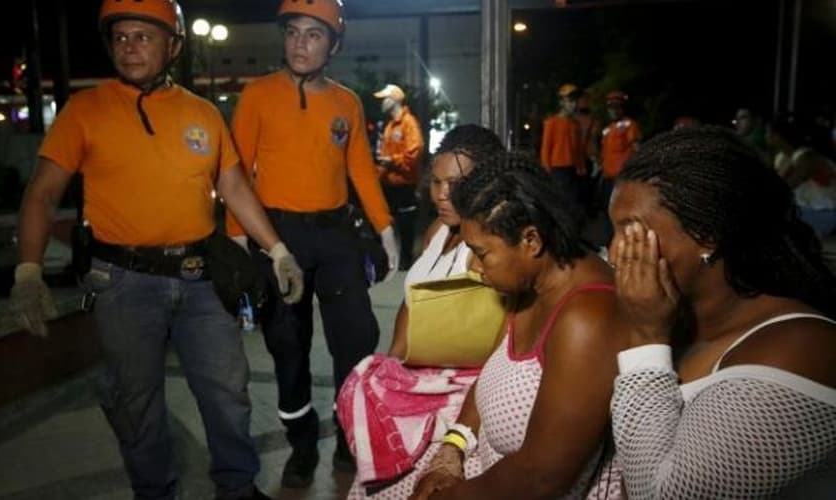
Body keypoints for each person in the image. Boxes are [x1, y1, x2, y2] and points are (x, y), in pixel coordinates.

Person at [8, 1, 295, 499]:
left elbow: (234, 186)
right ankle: (154, 492)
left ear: (173, 46)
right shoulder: (85, 111)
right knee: (135, 403)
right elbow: (41, 192)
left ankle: (238, 488)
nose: (129, 45)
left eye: (143, 36)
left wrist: (278, 249)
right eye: (121, 37)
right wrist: (28, 271)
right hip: (123, 283)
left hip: (203, 278)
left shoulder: (202, 112)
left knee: (228, 392)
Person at [364, 152, 626, 499]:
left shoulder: (588, 319)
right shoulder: (531, 282)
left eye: (482, 253)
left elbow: (540, 478)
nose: (474, 267)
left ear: (531, 240)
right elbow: (491, 372)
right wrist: (451, 450)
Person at [224, 0, 399, 488]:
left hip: (337, 235)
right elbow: (233, 171)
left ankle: (347, 435)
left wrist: (384, 226)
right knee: (286, 345)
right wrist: (237, 239)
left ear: (334, 44)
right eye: (294, 33)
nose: (301, 43)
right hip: (278, 236)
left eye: (314, 35)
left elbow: (360, 167)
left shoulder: (347, 102)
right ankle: (301, 445)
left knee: (357, 336)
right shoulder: (257, 95)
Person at [608, 125, 836, 498]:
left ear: (707, 233)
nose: (615, 254)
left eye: (631, 233)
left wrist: (646, 340)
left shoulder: (798, 349)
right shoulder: (681, 323)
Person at [337, 124, 505, 497]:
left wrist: (456, 440)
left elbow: (502, 345)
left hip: (466, 401)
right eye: (436, 183)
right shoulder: (436, 232)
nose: (444, 195)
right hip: (420, 381)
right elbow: (413, 303)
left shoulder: (493, 247)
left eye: (457, 184)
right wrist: (393, 374)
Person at [374, 83, 425, 270]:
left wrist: (392, 161)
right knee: (385, 224)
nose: (382, 102)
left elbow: (415, 151)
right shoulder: (389, 126)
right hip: (389, 184)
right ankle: (389, 260)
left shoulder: (408, 123)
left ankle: (405, 262)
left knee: (405, 226)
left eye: (384, 98)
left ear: (394, 99)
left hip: (405, 185)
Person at [767, 115, 836, 238]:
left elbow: (785, 186)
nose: (766, 136)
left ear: (778, 135)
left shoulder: (807, 156)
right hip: (808, 209)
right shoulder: (783, 156)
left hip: (825, 211)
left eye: (769, 132)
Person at [600, 90, 640, 242]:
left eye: (616, 107)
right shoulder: (607, 129)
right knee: (607, 211)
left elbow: (635, 148)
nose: (613, 111)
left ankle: (623, 242)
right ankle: (609, 242)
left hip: (622, 178)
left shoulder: (630, 125)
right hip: (608, 177)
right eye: (610, 107)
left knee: (621, 212)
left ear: (622, 108)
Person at [540, 83, 585, 202]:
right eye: (570, 101)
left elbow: (579, 149)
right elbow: (545, 149)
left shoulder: (575, 124)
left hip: (573, 171)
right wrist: (547, 172)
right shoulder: (551, 123)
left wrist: (581, 168)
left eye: (575, 101)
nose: (574, 105)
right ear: (561, 102)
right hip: (557, 171)